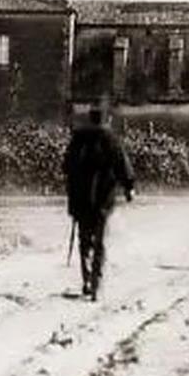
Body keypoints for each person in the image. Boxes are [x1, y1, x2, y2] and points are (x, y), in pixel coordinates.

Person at [62, 106, 135, 301]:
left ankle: (86, 280)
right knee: (99, 242)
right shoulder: (110, 139)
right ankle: (96, 283)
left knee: (85, 240)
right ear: (106, 120)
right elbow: (123, 165)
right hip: (103, 199)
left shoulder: (78, 139)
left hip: (80, 199)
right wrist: (129, 188)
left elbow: (66, 166)